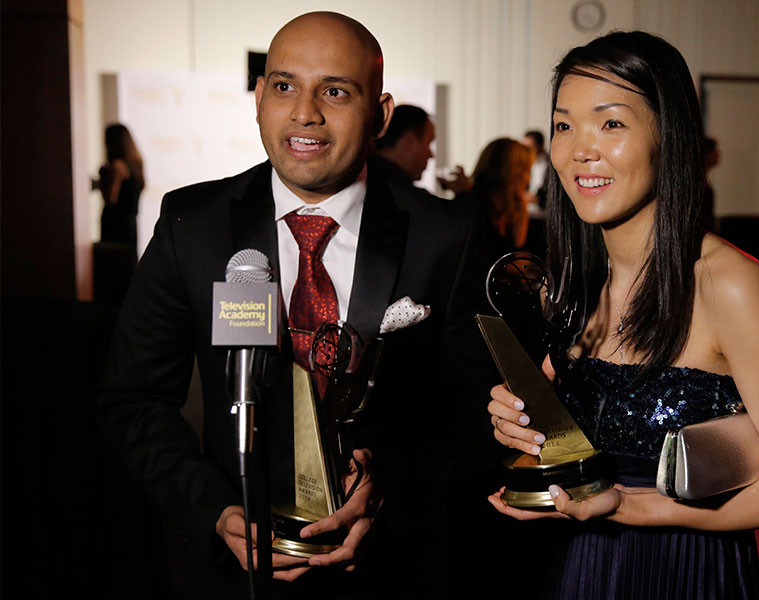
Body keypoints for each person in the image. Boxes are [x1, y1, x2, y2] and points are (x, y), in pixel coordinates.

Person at [97, 12, 499, 599]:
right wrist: (212, 509)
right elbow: (130, 399)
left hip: (396, 569)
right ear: (259, 98)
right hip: (240, 575)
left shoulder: (447, 237)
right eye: (284, 86)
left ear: (381, 115)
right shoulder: (193, 226)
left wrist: (393, 488)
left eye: (335, 91)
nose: (305, 111)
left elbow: (486, 414)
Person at [486, 31, 759, 599]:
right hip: (577, 565)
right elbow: (576, 443)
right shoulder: (574, 285)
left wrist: (633, 507)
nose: (581, 148)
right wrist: (526, 421)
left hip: (684, 568)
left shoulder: (728, 284)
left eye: (611, 123)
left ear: (667, 137)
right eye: (563, 124)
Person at [461, 137, 533, 258]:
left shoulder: (515, 204)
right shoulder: (471, 203)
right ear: (513, 172)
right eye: (525, 170)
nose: (528, 179)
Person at [98, 123, 144, 253]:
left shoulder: (117, 166)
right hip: (130, 224)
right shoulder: (137, 163)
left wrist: (104, 178)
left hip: (115, 225)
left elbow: (110, 198)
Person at [369, 104, 435, 186]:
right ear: (408, 142)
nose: (431, 155)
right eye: (428, 143)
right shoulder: (403, 195)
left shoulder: (366, 178)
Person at [523, 129, 550, 211]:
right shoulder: (524, 164)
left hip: (544, 214)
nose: (527, 151)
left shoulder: (552, 165)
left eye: (530, 147)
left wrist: (537, 200)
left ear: (540, 145)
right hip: (527, 212)